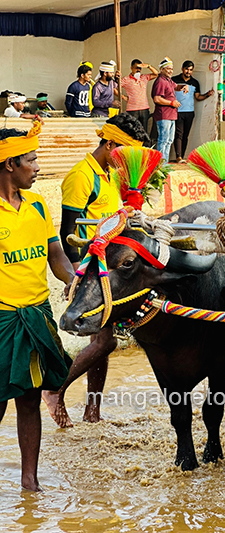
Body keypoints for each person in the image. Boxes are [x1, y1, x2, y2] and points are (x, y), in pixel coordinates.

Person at [42, 113, 150, 428]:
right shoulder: (81, 176)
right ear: (111, 143)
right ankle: (55, 389)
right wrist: (78, 276)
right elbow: (69, 231)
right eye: (126, 153)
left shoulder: (111, 175)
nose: (128, 161)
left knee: (100, 341)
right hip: (92, 271)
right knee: (106, 342)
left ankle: (92, 412)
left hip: (111, 268)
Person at [0, 123, 74, 491]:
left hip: (36, 316)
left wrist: (73, 280)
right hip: (2, 320)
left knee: (30, 398)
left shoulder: (38, 204)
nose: (37, 167)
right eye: (31, 160)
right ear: (10, 164)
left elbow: (55, 253)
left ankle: (30, 482)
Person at [172, 60, 214, 163]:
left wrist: (207, 95)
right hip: (177, 111)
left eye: (190, 70)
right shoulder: (174, 80)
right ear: (182, 69)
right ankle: (178, 157)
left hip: (189, 112)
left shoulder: (195, 82)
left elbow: (197, 97)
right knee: (178, 134)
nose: (188, 72)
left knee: (185, 135)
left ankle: (181, 156)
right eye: (186, 69)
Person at [151, 57, 189, 163]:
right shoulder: (160, 81)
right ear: (162, 69)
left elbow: (176, 87)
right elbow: (157, 98)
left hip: (171, 115)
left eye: (171, 69)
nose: (170, 71)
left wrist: (184, 86)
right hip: (164, 115)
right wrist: (172, 103)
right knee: (163, 140)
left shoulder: (168, 80)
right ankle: (161, 165)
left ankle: (165, 163)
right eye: (168, 68)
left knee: (169, 141)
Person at [121, 59, 158, 131]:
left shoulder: (144, 77)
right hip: (132, 110)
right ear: (131, 68)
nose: (138, 70)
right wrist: (123, 97)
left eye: (140, 68)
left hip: (144, 109)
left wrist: (148, 66)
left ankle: (143, 143)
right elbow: (113, 87)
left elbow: (156, 74)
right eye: (136, 68)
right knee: (132, 131)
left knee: (144, 131)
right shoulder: (126, 79)